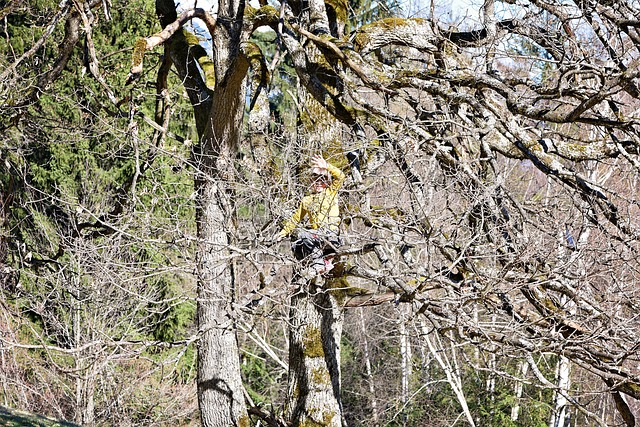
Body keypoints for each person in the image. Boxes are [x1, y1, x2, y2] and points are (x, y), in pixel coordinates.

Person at [277, 154, 346, 276]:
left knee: (305, 234)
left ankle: (320, 264)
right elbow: (295, 218)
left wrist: (327, 166)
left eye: (322, 179)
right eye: (316, 179)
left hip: (330, 234)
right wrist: (282, 233)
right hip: (317, 237)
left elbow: (341, 177)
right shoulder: (307, 200)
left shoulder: (330, 192)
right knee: (297, 245)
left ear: (327, 180)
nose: (319, 182)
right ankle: (321, 263)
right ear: (311, 181)